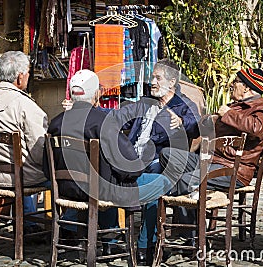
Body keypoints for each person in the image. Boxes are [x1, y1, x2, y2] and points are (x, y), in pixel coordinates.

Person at [44, 69, 171, 257]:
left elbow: (46, 166)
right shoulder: (103, 122)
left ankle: (110, 240)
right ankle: (144, 247)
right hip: (98, 191)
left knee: (107, 175)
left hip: (66, 189)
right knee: (160, 182)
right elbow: (130, 163)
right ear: (96, 94)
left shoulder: (56, 123)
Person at [159, 67, 263, 241]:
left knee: (186, 180)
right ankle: (189, 214)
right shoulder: (235, 107)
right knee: (168, 154)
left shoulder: (261, 111)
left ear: (247, 88)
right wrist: (201, 120)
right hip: (210, 160)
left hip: (233, 170)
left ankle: (190, 235)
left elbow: (256, 129)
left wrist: (229, 114)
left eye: (236, 82)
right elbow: (205, 126)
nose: (232, 85)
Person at [106, 59, 200, 264]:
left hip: (159, 162)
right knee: (108, 172)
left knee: (153, 181)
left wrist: (182, 121)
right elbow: (118, 115)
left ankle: (146, 245)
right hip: (133, 159)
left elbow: (196, 123)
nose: (152, 82)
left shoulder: (183, 105)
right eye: (152, 77)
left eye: (158, 78)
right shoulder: (145, 102)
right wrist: (89, 109)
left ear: (172, 81)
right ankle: (109, 237)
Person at [0, 50, 49, 233]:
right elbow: (40, 151)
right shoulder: (25, 105)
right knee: (67, 175)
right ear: (20, 77)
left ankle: (29, 225)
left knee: (22, 162)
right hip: (22, 177)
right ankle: (68, 228)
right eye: (28, 72)